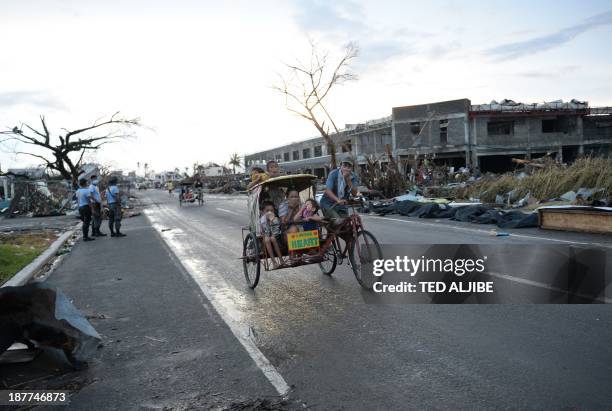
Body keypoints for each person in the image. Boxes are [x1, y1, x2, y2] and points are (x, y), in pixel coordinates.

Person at [260, 201, 283, 268]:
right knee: (267, 239)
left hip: (275, 235)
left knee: (272, 238)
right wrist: (268, 221)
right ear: (263, 212)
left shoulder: (275, 218)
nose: (269, 212)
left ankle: (281, 260)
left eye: (271, 210)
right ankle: (274, 262)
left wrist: (272, 221)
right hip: (265, 236)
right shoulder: (262, 220)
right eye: (267, 211)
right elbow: (264, 231)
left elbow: (277, 230)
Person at [75, 178, 95, 242]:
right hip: (86, 207)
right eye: (86, 182)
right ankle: (85, 237)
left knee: (84, 222)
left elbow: (78, 200)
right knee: (87, 222)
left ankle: (85, 236)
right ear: (85, 183)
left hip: (80, 207)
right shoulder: (87, 191)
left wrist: (78, 208)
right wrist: (92, 209)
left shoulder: (78, 191)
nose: (87, 183)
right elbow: (89, 201)